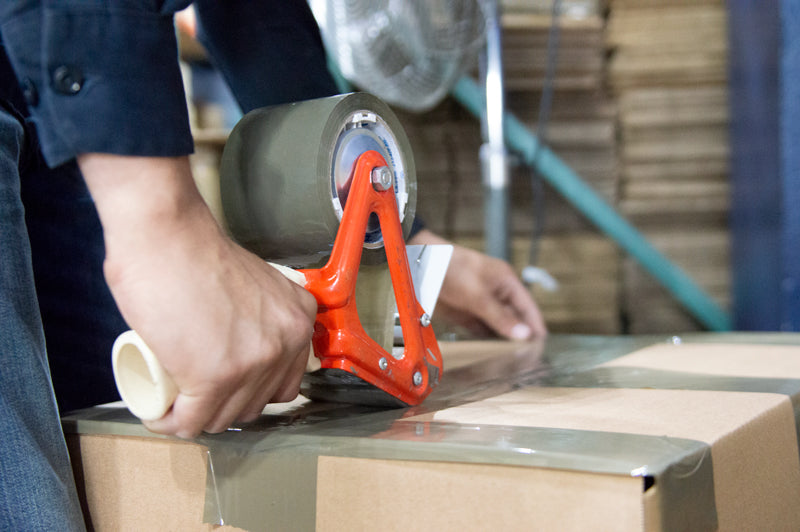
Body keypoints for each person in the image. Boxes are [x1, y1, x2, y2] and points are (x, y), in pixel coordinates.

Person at [0, 1, 544, 528]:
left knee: (123, 442)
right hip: (73, 71)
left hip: (52, 105)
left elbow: (257, 15)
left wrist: (407, 241)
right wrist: (160, 217)